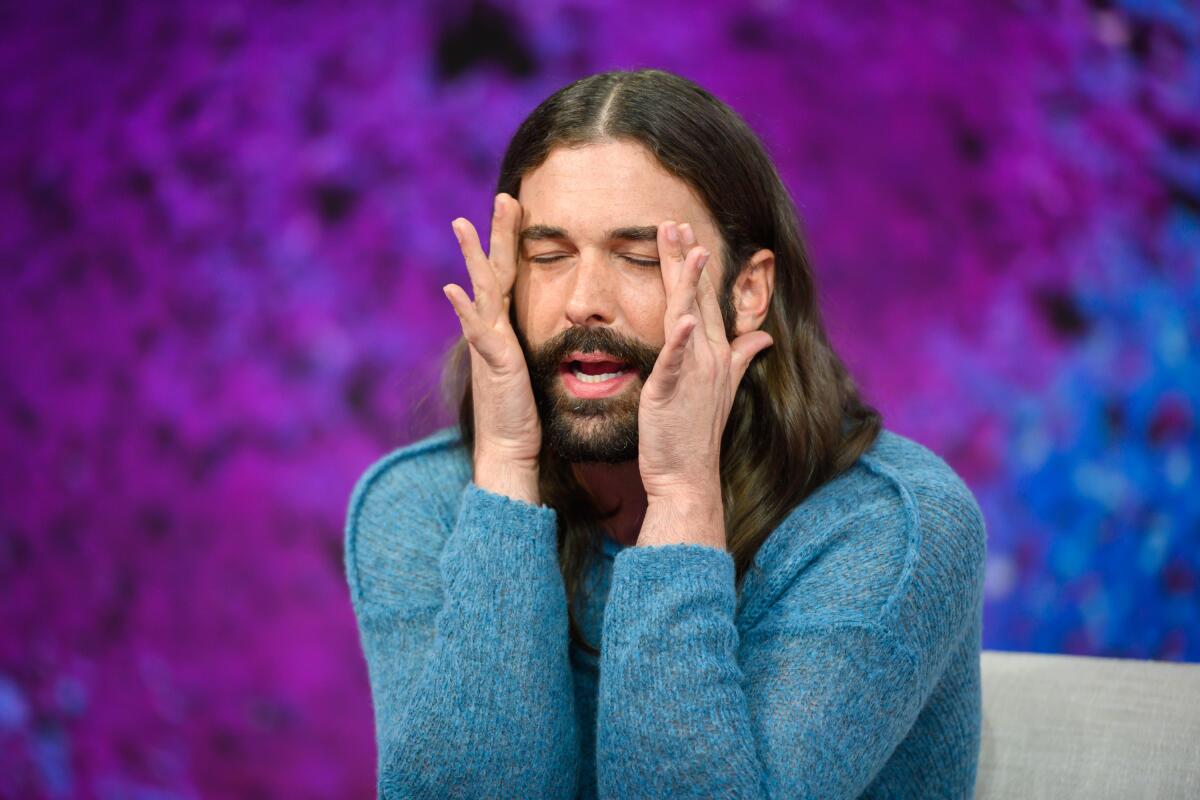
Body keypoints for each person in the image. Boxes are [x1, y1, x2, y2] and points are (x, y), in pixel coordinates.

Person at [344, 68, 987, 799]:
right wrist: (505, 476)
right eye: (548, 257)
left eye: (642, 258)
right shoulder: (420, 503)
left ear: (746, 292)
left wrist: (682, 497)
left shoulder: (887, 529)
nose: (585, 302)